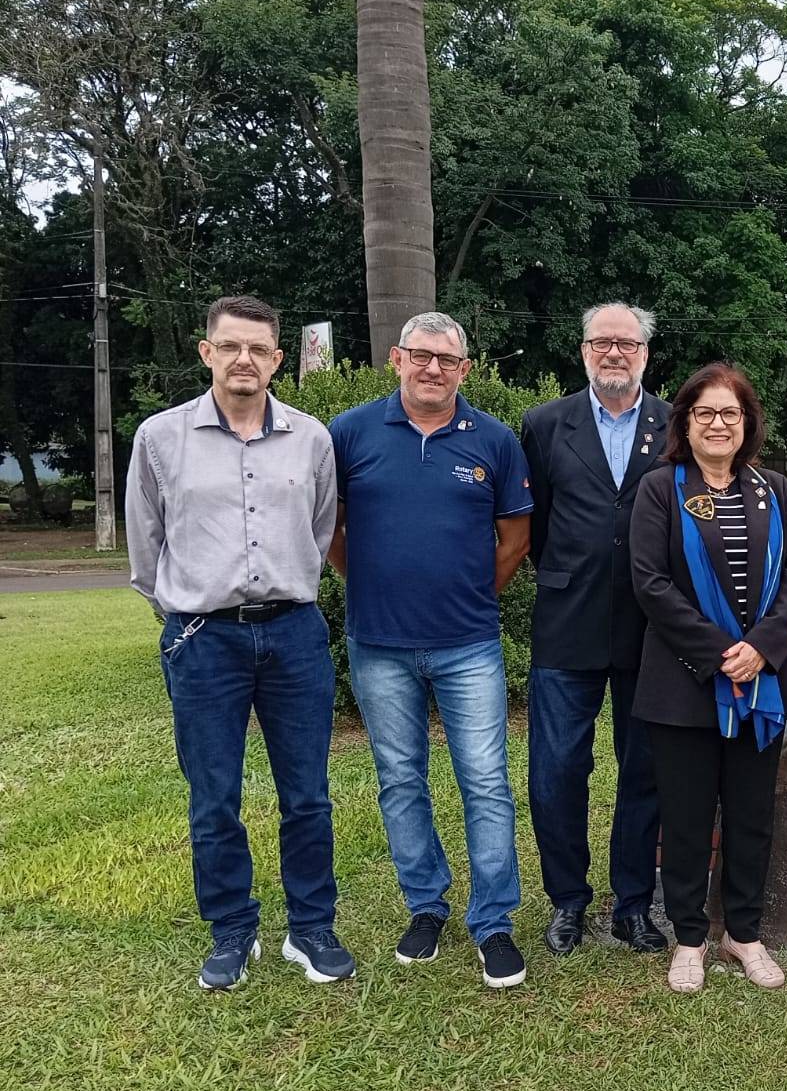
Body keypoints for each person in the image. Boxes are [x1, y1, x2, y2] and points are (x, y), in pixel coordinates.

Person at [126, 295, 354, 990]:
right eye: (231, 346)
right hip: (203, 640)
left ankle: (311, 930)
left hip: (294, 635)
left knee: (308, 794)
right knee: (214, 796)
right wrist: (186, 612)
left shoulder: (312, 439)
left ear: (278, 359)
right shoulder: (161, 439)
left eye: (258, 348)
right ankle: (232, 930)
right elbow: (146, 548)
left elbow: (318, 534)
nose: (244, 359)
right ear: (207, 352)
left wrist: (284, 588)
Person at [328, 311, 532, 988]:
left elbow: (515, 537)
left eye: (447, 359)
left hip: (467, 643)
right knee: (399, 781)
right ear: (396, 358)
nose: (432, 369)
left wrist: (474, 594)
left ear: (465, 369)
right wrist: (366, 581)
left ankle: (494, 922)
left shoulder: (494, 441)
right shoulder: (350, 432)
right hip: (378, 644)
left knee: (486, 783)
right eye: (420, 356)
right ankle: (424, 907)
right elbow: (329, 527)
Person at [630, 362, 787, 993]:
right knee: (684, 816)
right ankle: (688, 938)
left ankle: (744, 932)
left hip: (761, 681)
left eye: (730, 413)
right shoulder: (661, 488)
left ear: (747, 423)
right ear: (684, 420)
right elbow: (650, 583)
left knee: (750, 813)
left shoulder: (773, 489)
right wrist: (718, 652)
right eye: (704, 412)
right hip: (683, 685)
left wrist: (761, 648)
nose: (717, 423)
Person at [519, 303, 671, 956]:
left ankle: (633, 905)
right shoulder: (545, 424)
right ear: (583, 349)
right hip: (568, 620)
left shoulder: (674, 424)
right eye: (602, 341)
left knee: (644, 772)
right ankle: (567, 901)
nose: (614, 352)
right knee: (555, 771)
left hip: (650, 626)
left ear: (645, 352)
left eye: (627, 342)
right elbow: (538, 525)